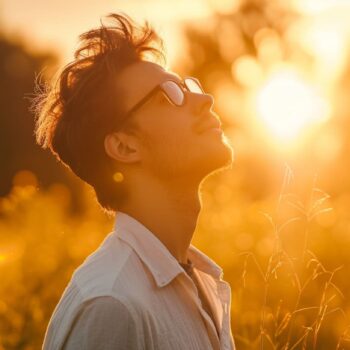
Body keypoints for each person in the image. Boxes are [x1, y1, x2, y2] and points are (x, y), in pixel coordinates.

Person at [34, 12, 235, 350]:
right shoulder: (111, 306)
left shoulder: (198, 279)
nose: (205, 100)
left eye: (188, 86)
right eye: (170, 94)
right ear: (125, 146)